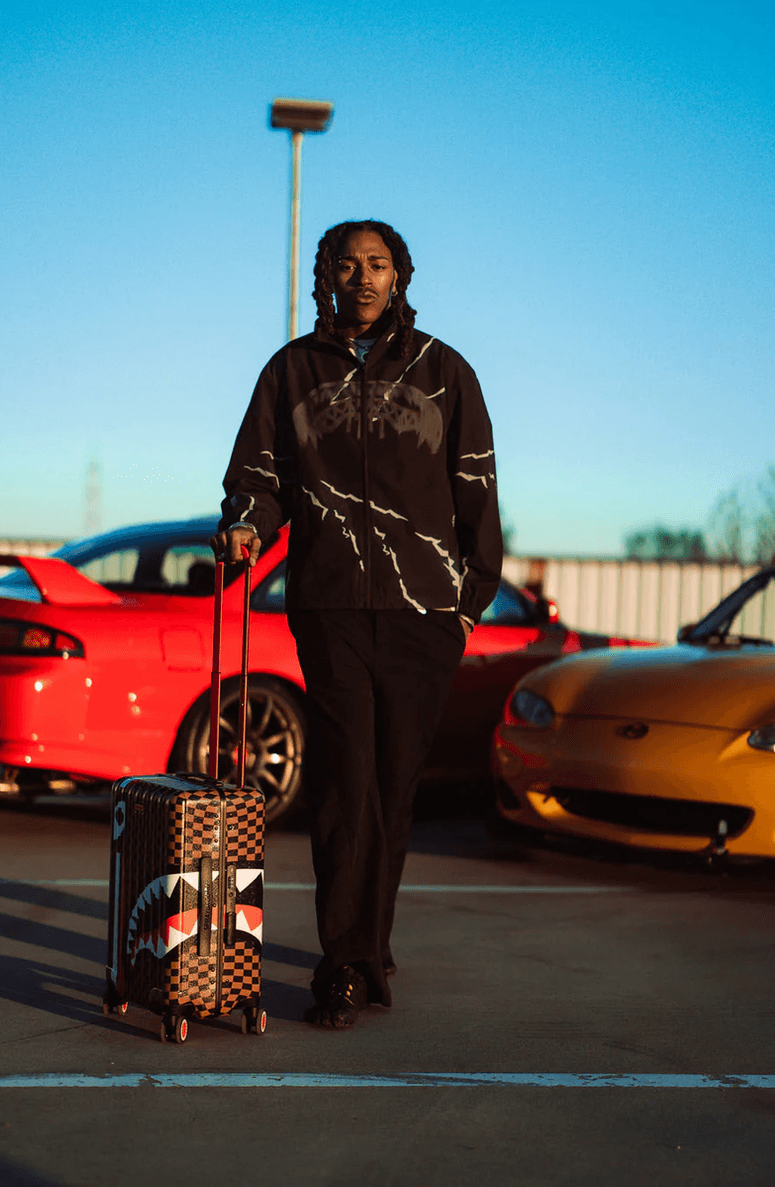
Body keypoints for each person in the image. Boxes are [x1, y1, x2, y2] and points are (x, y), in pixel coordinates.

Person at [212, 220, 502, 1027]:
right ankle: (345, 964)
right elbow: (259, 474)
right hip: (330, 605)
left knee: (393, 786)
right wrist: (246, 523)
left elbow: (477, 490)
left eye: (378, 264)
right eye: (348, 265)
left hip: (423, 615)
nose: (364, 277)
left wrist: (465, 606)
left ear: (399, 276)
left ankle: (370, 939)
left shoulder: (445, 371)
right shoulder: (292, 371)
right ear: (327, 278)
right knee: (348, 783)